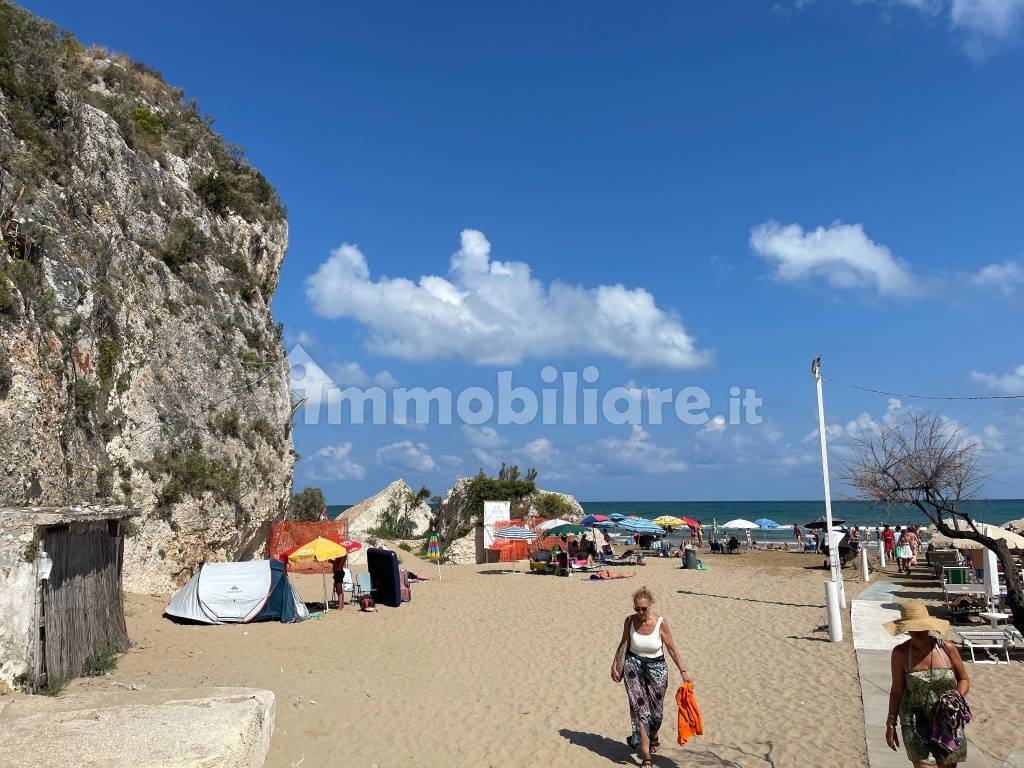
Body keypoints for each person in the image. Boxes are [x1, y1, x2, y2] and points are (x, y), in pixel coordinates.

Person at [610, 587, 692, 767]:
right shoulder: (629, 621)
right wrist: (615, 665)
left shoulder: (660, 623)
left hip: (657, 668)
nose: (640, 612)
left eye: (643, 609)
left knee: (656, 714)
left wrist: (683, 671)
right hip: (633, 666)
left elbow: (671, 648)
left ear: (650, 605)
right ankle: (646, 755)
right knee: (642, 711)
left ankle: (654, 733)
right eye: (637, 609)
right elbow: (624, 642)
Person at [884, 601, 970, 766]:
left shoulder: (947, 649)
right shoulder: (900, 653)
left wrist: (956, 697)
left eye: (921, 627)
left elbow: (964, 679)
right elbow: (896, 691)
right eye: (913, 628)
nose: (918, 631)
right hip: (915, 722)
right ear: (906, 629)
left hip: (946, 721)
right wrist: (890, 724)